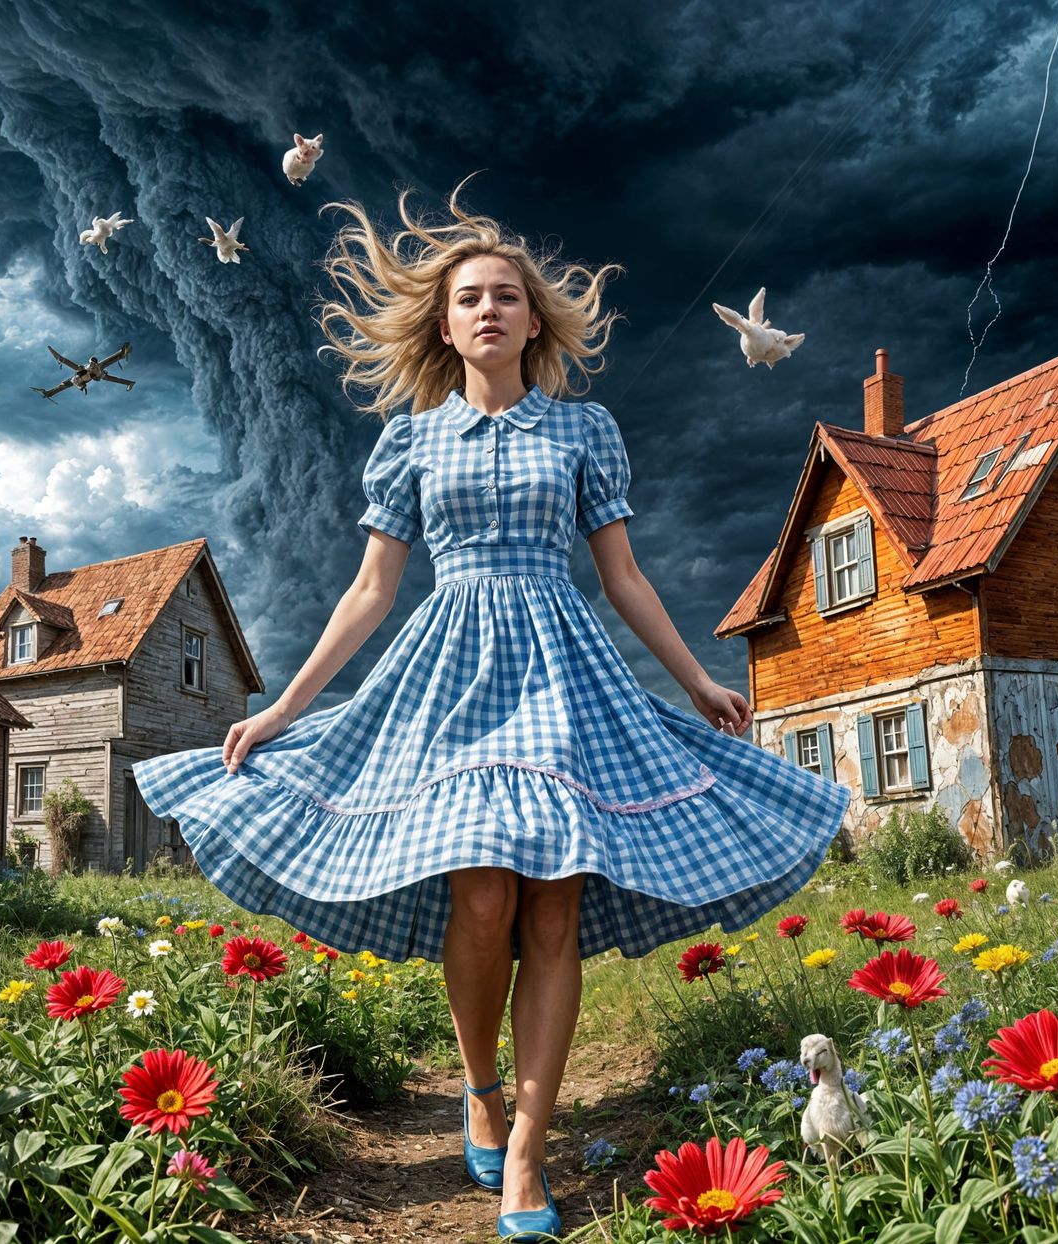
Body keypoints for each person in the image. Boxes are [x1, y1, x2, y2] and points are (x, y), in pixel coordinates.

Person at [133, 175, 851, 1242]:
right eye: (469, 295)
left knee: (551, 904)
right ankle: (478, 1083)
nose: (488, 308)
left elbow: (623, 575)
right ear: (443, 320)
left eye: (506, 295)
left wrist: (696, 676)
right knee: (479, 898)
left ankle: (525, 1148)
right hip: (448, 673)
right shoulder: (409, 441)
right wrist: (282, 704)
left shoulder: (585, 429)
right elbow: (371, 590)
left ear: (531, 317)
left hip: (563, 672)